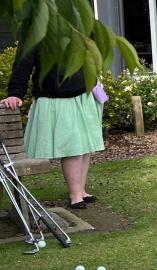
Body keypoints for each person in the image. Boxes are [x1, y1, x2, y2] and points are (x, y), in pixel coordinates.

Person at [1, 47, 105, 209]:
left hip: (84, 95)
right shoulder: (35, 30)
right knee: (73, 148)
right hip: (57, 98)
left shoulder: (76, 26)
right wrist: (15, 93)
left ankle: (81, 191)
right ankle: (75, 195)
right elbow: (23, 63)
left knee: (85, 147)